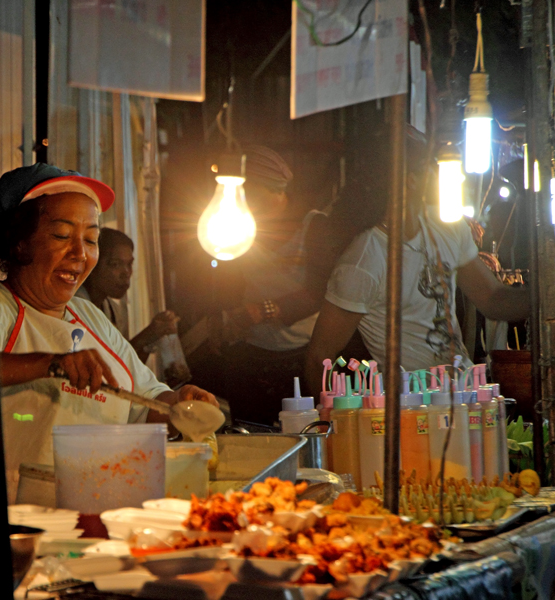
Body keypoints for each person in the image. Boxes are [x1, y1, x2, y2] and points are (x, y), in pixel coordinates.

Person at [0, 163, 218, 493]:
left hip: (85, 503)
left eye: (91, 239)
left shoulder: (89, 316)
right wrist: (49, 364)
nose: (80, 253)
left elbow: (145, 402)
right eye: (62, 236)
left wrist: (179, 405)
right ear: (20, 244)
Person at [304, 133, 530, 395]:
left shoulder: (447, 227)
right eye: (431, 166)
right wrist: (331, 421)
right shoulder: (363, 262)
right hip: (412, 408)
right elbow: (319, 356)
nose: (438, 173)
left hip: (466, 395)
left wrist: (544, 296)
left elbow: (493, 299)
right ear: (410, 181)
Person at [218, 146, 337, 425]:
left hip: (300, 355)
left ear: (273, 189)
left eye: (247, 191)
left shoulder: (314, 225)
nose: (241, 200)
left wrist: (263, 310)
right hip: (250, 353)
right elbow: (228, 281)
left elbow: (319, 293)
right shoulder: (238, 225)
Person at [76, 227, 179, 363]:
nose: (126, 273)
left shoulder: (113, 310)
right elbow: (105, 364)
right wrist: (146, 335)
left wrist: (151, 338)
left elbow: (126, 368)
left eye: (129, 264)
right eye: (115, 264)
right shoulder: (75, 306)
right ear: (93, 263)